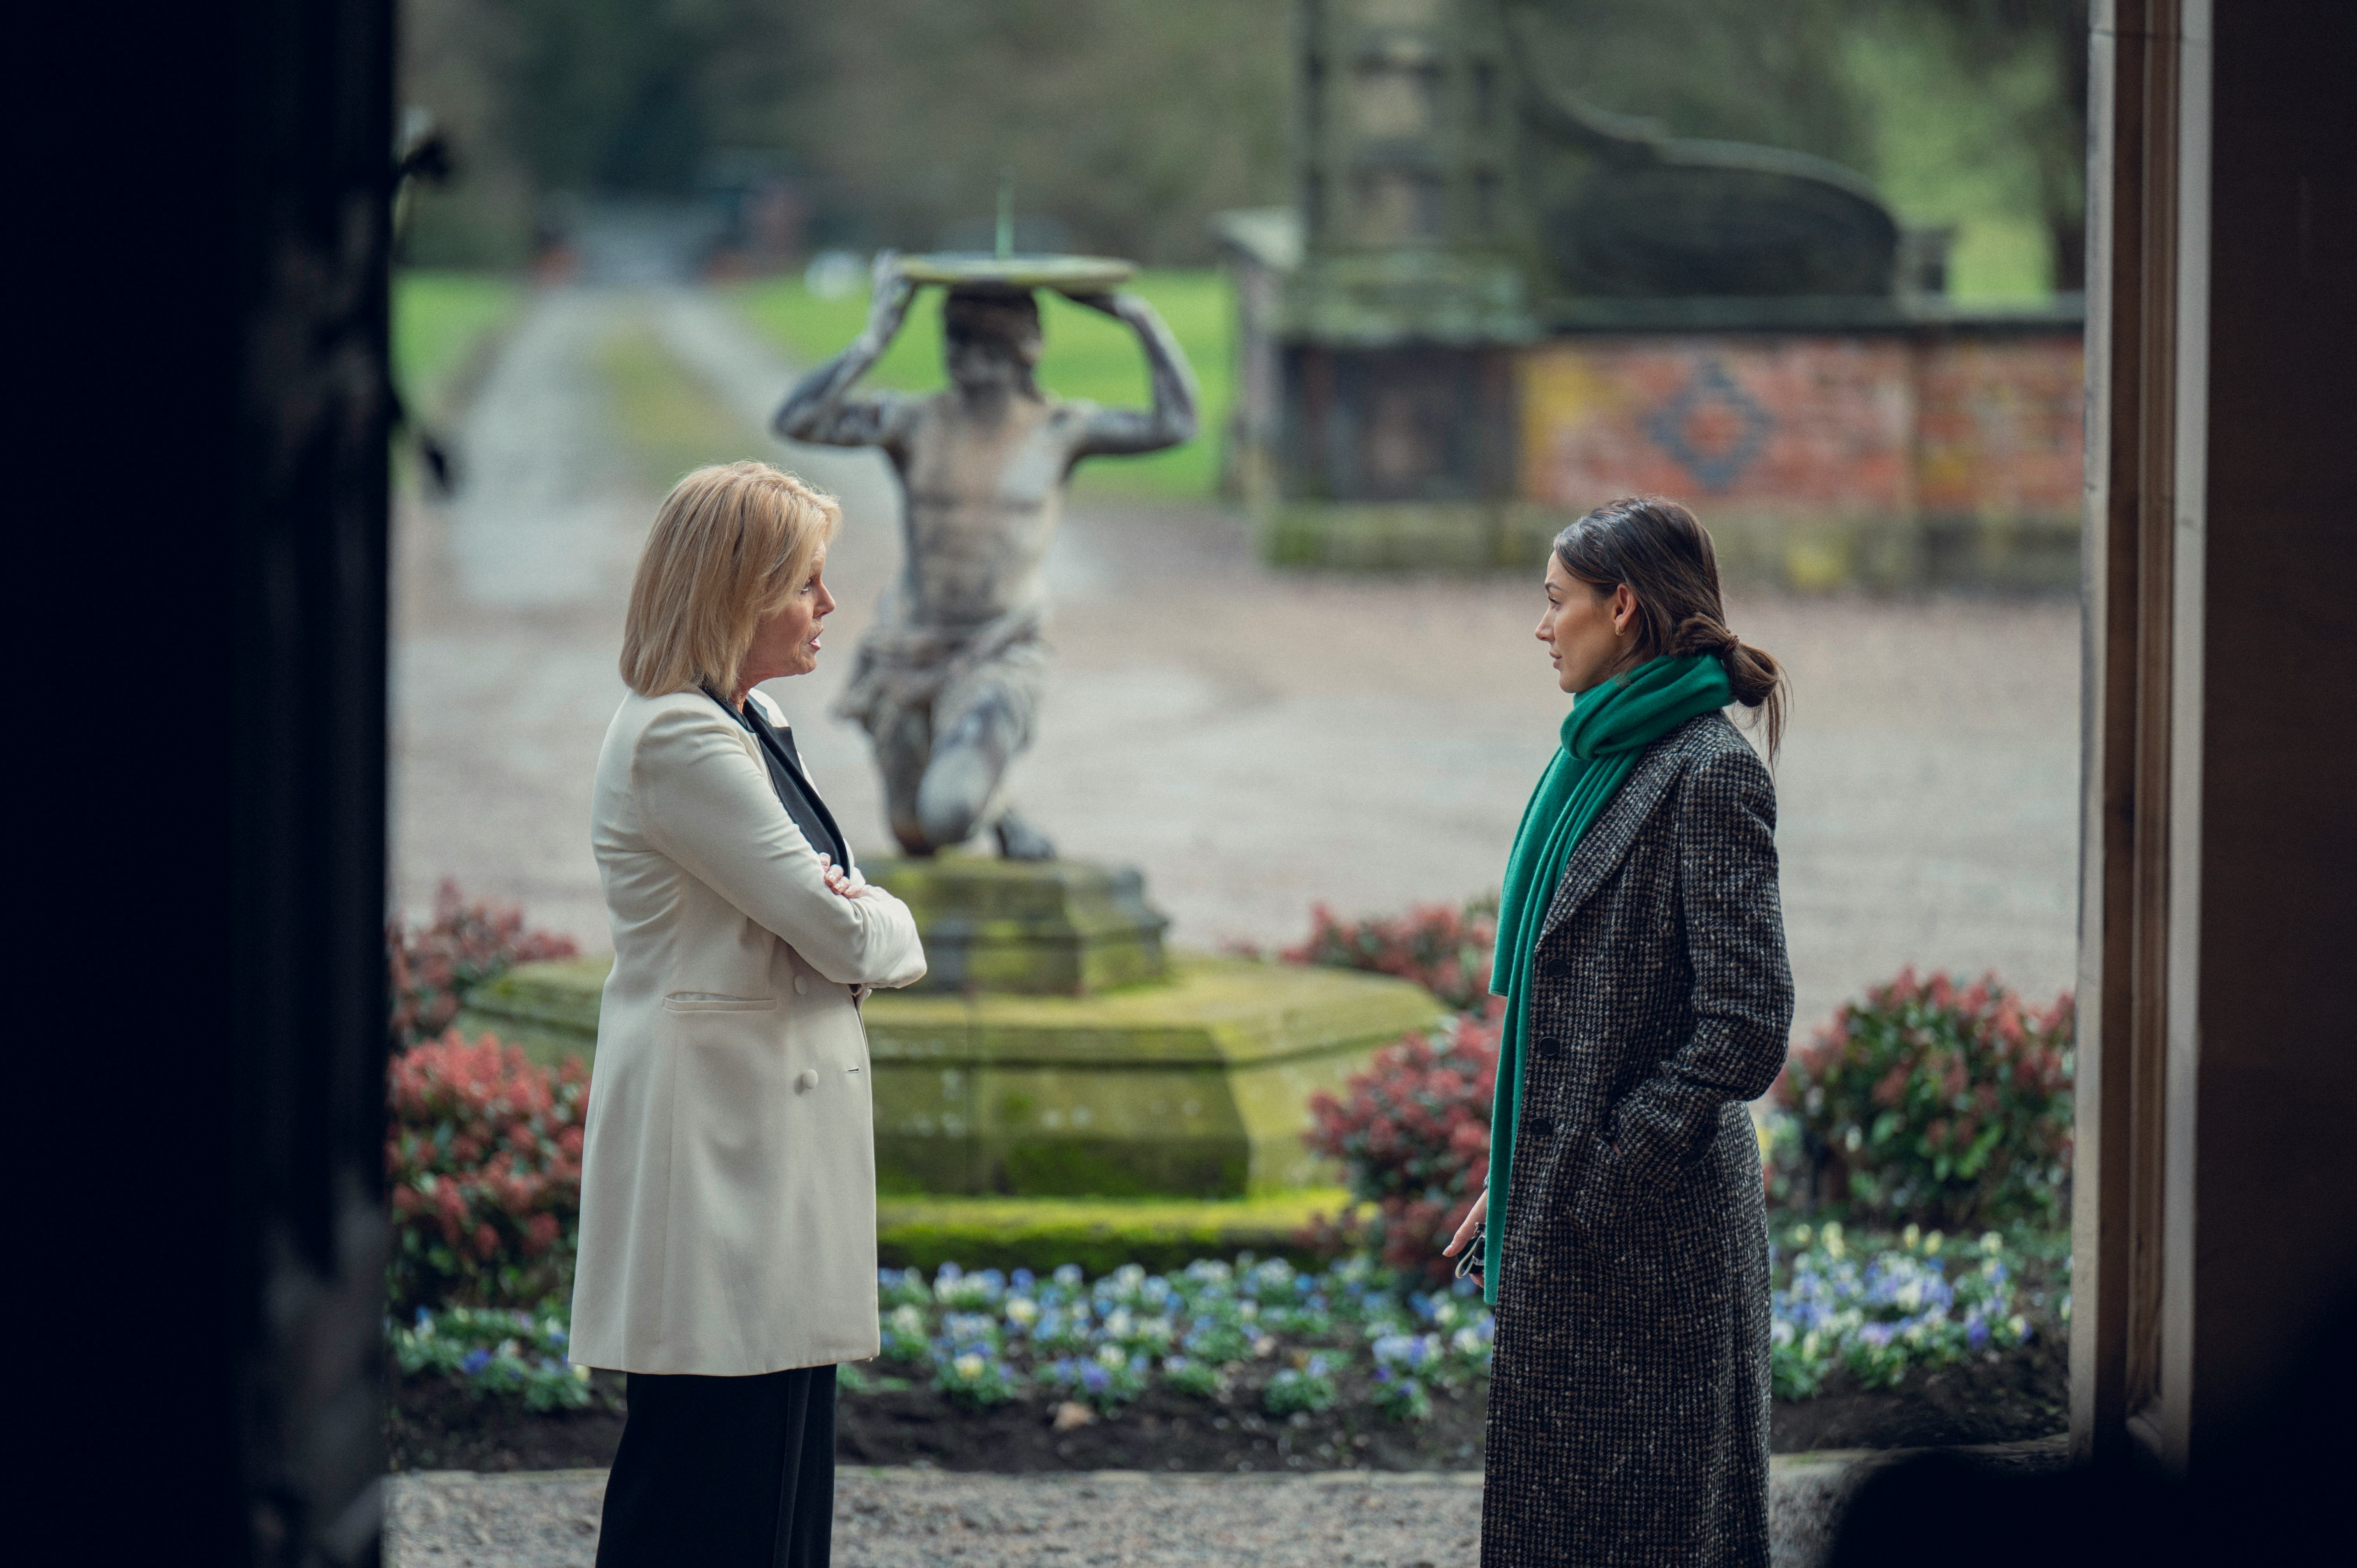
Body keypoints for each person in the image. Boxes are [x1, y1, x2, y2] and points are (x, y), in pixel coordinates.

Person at [570, 461, 928, 1568]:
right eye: (806, 583)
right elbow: (845, 931)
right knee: (707, 1483)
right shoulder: (682, 742)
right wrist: (870, 919)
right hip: (719, 1157)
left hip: (761, 1147)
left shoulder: (752, 720)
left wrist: (857, 913)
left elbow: (840, 903)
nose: (829, 607)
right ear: (736, 591)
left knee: (773, 1474)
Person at [1443, 496, 1795, 1567]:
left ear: (1625, 608)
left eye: (1559, 603)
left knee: (1657, 1534)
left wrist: (1602, 1171)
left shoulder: (1709, 772)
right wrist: (1524, 1167)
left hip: (1658, 1250)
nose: (1542, 627)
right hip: (1587, 1226)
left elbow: (1746, 1026)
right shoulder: (1594, 761)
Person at [772, 252, 1197, 860]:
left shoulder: (1059, 429)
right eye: (953, 332)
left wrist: (1136, 318)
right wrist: (873, 341)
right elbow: (797, 420)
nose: (959, 348)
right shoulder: (916, 422)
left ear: (1024, 344)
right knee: (912, 833)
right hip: (909, 648)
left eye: (978, 333)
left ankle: (986, 796)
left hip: (1001, 646)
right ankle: (1000, 807)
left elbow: (1177, 423)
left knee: (947, 815)